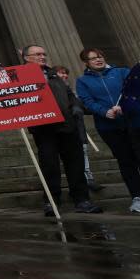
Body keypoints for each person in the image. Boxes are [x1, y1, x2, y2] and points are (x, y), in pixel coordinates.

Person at [22, 44, 102, 216]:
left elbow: (70, 94)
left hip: (67, 126)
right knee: (50, 166)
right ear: (26, 58)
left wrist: (76, 107)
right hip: (44, 130)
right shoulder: (20, 76)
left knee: (76, 164)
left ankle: (82, 200)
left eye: (43, 53)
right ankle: (52, 202)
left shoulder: (53, 75)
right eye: (37, 54)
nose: (42, 57)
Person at [76, 48, 140, 214]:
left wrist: (125, 106)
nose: (98, 60)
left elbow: (136, 91)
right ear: (86, 63)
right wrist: (105, 111)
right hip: (111, 127)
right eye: (93, 58)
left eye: (100, 56)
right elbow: (87, 102)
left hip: (139, 123)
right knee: (126, 162)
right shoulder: (83, 81)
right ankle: (137, 198)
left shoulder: (122, 72)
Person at [55, 65, 103, 193]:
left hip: (79, 131)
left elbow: (87, 109)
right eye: (61, 73)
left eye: (65, 73)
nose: (65, 76)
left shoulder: (74, 94)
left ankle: (89, 180)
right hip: (62, 132)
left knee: (83, 156)